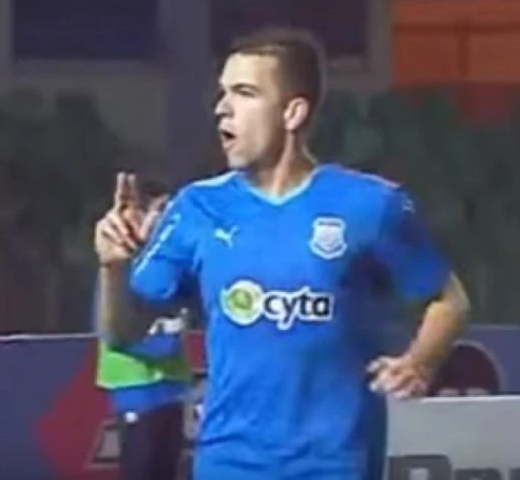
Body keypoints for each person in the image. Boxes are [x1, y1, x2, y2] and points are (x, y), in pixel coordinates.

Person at [94, 27, 470, 480]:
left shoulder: (371, 206)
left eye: (244, 93)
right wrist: (113, 269)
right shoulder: (197, 208)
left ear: (292, 112)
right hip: (228, 466)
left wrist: (419, 362)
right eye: (223, 93)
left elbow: (449, 300)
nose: (222, 108)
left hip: (336, 467)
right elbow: (124, 333)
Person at [93, 182, 191, 480]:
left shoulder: (171, 268)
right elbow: (113, 330)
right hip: (136, 388)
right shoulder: (121, 264)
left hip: (172, 390)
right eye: (159, 213)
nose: (165, 222)